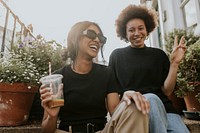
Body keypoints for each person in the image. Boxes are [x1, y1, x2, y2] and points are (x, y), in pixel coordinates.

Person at [40, 21, 150, 133]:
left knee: (135, 106)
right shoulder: (57, 78)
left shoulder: (106, 73)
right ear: (74, 38)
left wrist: (126, 98)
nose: (97, 40)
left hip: (101, 131)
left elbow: (116, 114)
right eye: (91, 34)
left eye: (101, 38)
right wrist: (52, 116)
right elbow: (47, 130)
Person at [109, 4, 190, 133]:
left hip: (165, 110)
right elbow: (114, 94)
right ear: (125, 32)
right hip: (135, 112)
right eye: (131, 30)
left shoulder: (158, 55)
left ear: (147, 30)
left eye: (141, 28)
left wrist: (174, 63)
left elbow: (167, 91)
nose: (137, 33)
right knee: (150, 98)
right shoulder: (117, 56)